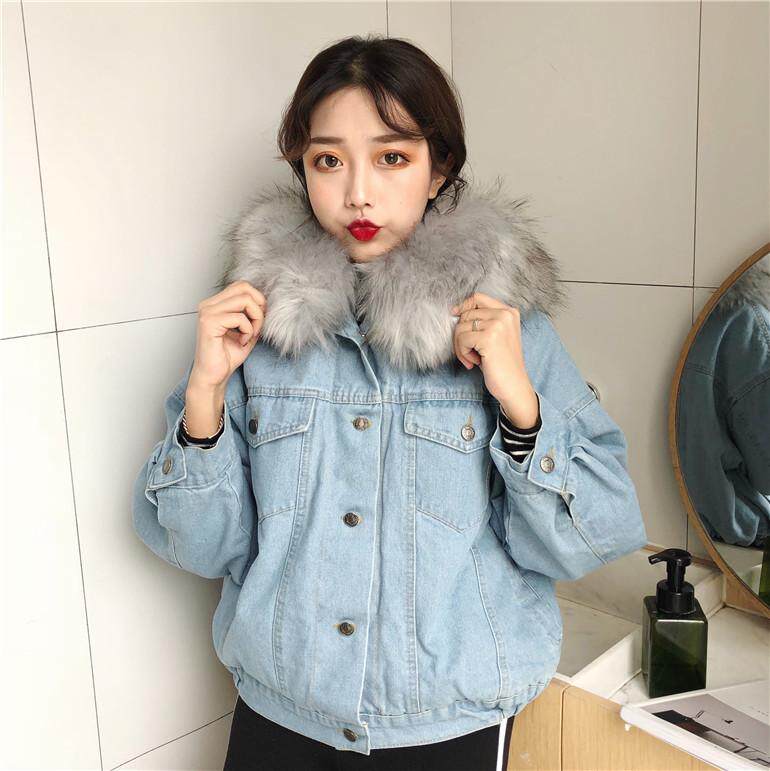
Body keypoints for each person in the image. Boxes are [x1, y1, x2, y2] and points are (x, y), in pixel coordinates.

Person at [132, 34, 648, 770]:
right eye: (328, 160)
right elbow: (200, 547)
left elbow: (593, 536)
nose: (358, 194)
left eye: (393, 157)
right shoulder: (258, 329)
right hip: (280, 711)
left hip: (443, 726)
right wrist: (204, 394)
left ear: (439, 169)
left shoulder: (508, 328)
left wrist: (520, 405)